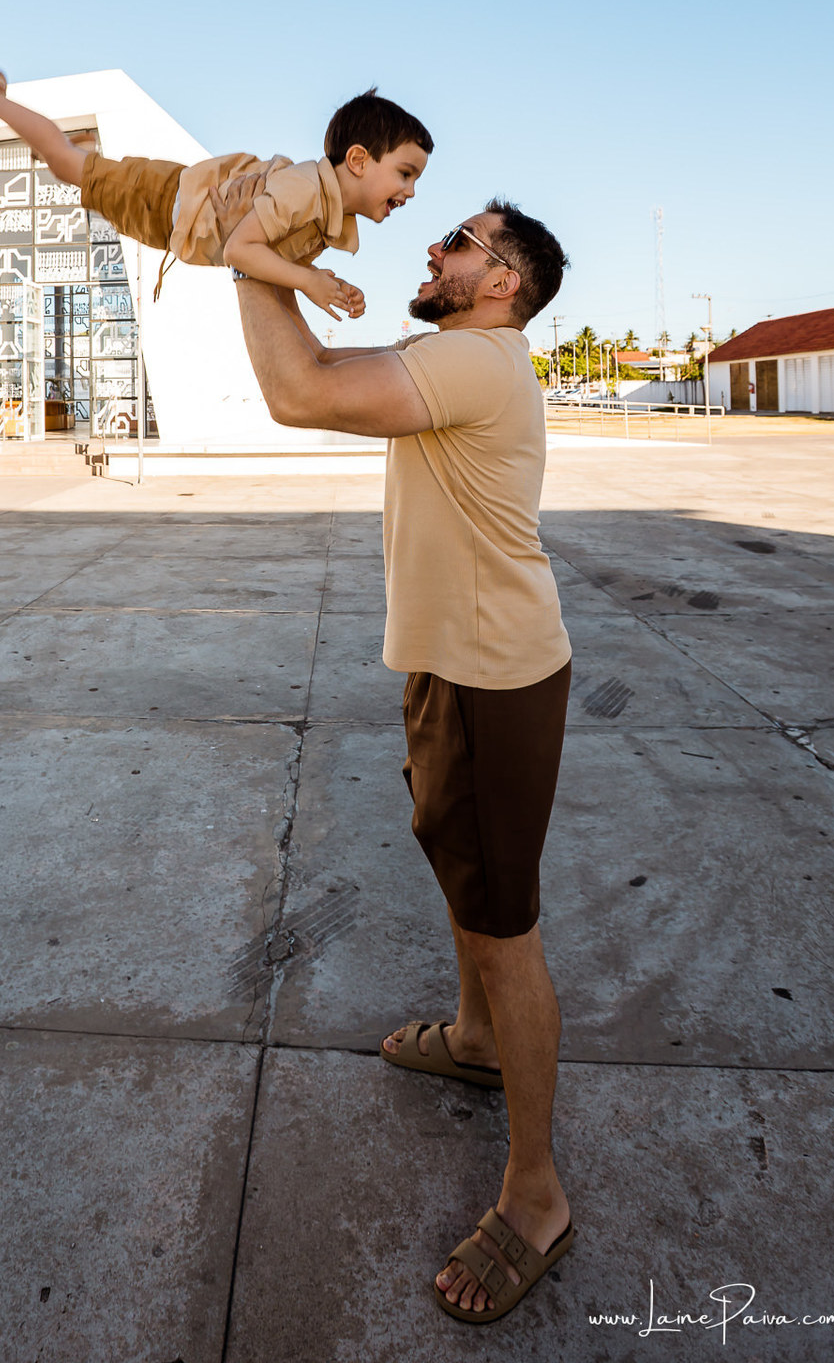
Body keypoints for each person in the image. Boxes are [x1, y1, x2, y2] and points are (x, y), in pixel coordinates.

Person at [217, 185, 573, 1326]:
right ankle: (474, 1039)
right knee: (461, 869)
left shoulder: (479, 362)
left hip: (490, 680)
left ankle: (536, 1194)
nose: (432, 243)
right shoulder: (459, 357)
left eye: (458, 240)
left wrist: (243, 253)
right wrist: (269, 263)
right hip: (458, 667)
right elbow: (316, 360)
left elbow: (299, 391)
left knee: (505, 925)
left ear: (503, 280)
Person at [0, 70, 431, 320]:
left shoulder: (324, 216)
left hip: (170, 219)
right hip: (163, 199)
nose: (409, 191)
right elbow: (241, 250)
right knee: (67, 166)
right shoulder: (304, 187)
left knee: (74, 167)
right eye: (405, 173)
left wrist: (324, 282)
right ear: (360, 160)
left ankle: (76, 149)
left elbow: (267, 252)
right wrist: (306, 281)